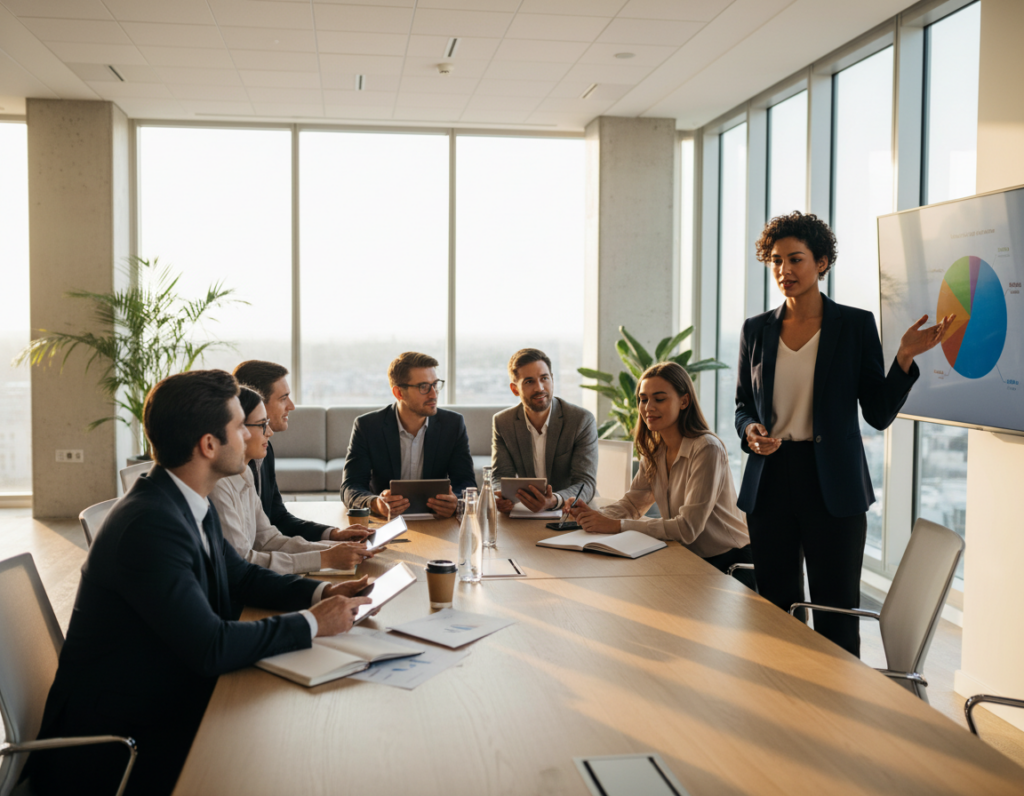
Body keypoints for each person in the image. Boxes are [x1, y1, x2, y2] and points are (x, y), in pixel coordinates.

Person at [27, 370, 372, 796]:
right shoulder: (149, 525)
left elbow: (240, 575)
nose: (249, 438)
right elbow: (211, 647)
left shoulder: (187, 499)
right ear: (209, 445)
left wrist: (323, 592)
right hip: (123, 744)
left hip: (168, 694)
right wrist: (313, 623)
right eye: (238, 428)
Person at [735, 211, 953, 658]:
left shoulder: (854, 326)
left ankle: (841, 715)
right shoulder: (756, 330)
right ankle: (779, 705)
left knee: (836, 614)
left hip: (832, 484)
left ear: (822, 263)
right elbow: (743, 406)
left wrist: (905, 358)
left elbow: (877, 413)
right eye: (776, 261)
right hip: (770, 482)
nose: (784, 270)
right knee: (774, 612)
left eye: (795, 259)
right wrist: (750, 431)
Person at [568, 362, 754, 585]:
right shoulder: (655, 448)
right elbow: (632, 505)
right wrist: (592, 514)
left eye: (659, 398)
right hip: (686, 556)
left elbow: (687, 528)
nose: (648, 407)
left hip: (729, 564)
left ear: (684, 401)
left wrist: (615, 525)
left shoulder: (707, 448)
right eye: (643, 399)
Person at [210, 386, 380, 574]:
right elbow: (241, 563)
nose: (270, 433)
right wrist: (324, 558)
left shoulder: (245, 472)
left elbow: (268, 540)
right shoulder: (217, 487)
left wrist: (334, 549)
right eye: (261, 424)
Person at [234, 360, 368, 544]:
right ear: (257, 403)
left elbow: (277, 518)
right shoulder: (229, 470)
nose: (292, 406)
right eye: (283, 398)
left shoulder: (265, 451)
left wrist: (332, 534)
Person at [342, 352, 476, 519]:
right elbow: (351, 487)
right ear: (399, 393)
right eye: (423, 387)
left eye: (435, 384)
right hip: (386, 522)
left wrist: (456, 501)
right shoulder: (368, 426)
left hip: (436, 521)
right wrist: (376, 503)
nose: (433, 394)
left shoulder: (453, 424)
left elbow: (466, 482)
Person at [491, 348, 597, 514]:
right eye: (529, 381)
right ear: (514, 389)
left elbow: (585, 482)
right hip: (525, 513)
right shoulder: (503, 422)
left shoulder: (580, 420)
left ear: (552, 380)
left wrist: (554, 500)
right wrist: (501, 497)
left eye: (544, 378)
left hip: (570, 512)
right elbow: (500, 476)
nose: (539, 388)